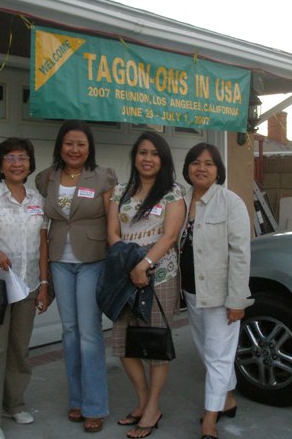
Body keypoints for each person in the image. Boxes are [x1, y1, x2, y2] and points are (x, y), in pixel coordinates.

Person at [35, 120, 117, 433]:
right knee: (69, 331)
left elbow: (112, 221)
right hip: (60, 260)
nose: (75, 149)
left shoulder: (104, 176)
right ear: (60, 146)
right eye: (69, 143)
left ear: (89, 147)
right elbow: (45, 222)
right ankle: (76, 399)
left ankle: (95, 405)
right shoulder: (46, 178)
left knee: (89, 332)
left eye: (81, 144)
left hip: (93, 260)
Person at [0, 137, 51, 439]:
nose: (17, 163)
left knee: (19, 350)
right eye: (10, 158)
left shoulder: (37, 201)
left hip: (28, 286)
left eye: (23, 158)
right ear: (0, 165)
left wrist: (43, 285)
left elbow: (43, 246)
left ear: (30, 164)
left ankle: (13, 403)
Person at [107, 131, 186, 439]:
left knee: (154, 345)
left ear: (163, 159)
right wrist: (130, 264)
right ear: (134, 157)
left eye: (154, 153)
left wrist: (144, 264)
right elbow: (113, 232)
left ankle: (153, 406)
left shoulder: (173, 193)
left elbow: (169, 237)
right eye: (142, 152)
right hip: (125, 278)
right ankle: (143, 401)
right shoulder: (119, 193)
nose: (148, 158)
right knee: (123, 345)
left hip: (160, 278)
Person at [178, 143, 253, 439]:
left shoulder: (230, 202)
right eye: (195, 162)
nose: (201, 168)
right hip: (192, 291)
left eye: (209, 163)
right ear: (187, 168)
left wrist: (237, 299)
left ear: (218, 170)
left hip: (221, 295)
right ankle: (228, 398)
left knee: (219, 355)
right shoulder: (180, 201)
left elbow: (240, 254)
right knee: (208, 351)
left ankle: (210, 418)